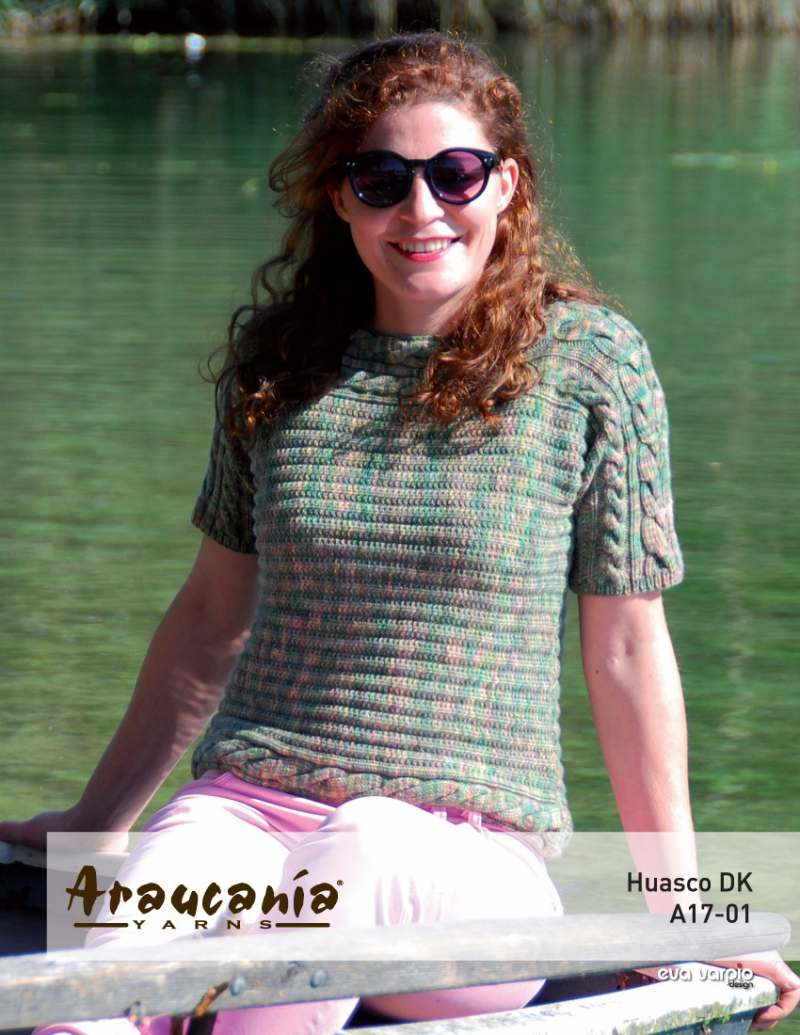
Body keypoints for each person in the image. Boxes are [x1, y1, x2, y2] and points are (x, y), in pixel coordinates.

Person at [2, 29, 798, 1035]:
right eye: (380, 180)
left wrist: (680, 905)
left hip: (465, 861)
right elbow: (207, 619)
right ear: (340, 199)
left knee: (361, 851)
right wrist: (93, 824)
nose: (421, 210)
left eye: (454, 174)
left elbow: (628, 653)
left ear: (505, 185)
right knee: (113, 950)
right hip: (248, 808)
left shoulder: (591, 366)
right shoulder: (279, 368)